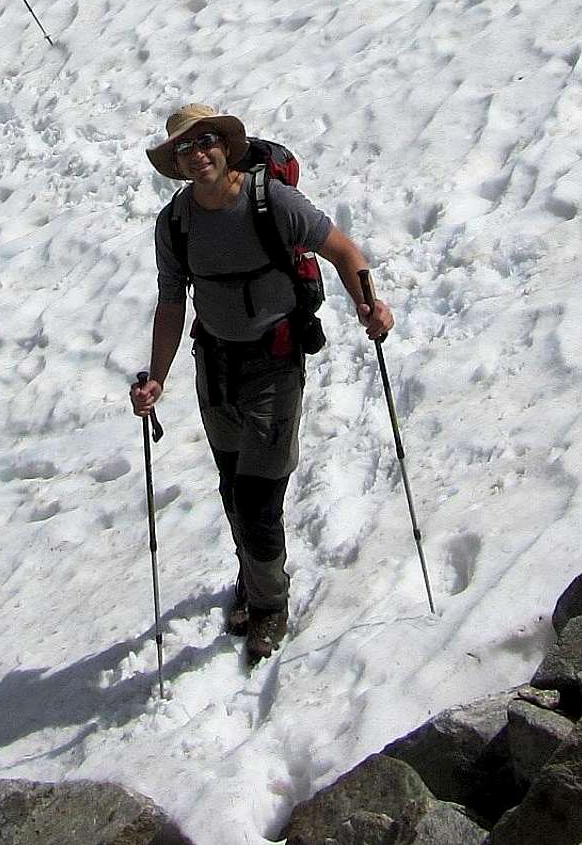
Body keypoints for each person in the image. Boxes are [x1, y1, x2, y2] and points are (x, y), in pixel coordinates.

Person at [130, 104, 394, 663]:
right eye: (186, 148)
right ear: (176, 163)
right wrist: (157, 377)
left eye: (207, 142)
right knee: (232, 485)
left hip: (275, 360)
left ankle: (269, 604)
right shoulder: (174, 224)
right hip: (216, 363)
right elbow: (172, 301)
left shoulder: (269, 200)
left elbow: (342, 250)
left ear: (225, 146)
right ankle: (254, 575)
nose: (199, 154)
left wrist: (370, 306)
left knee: (257, 496)